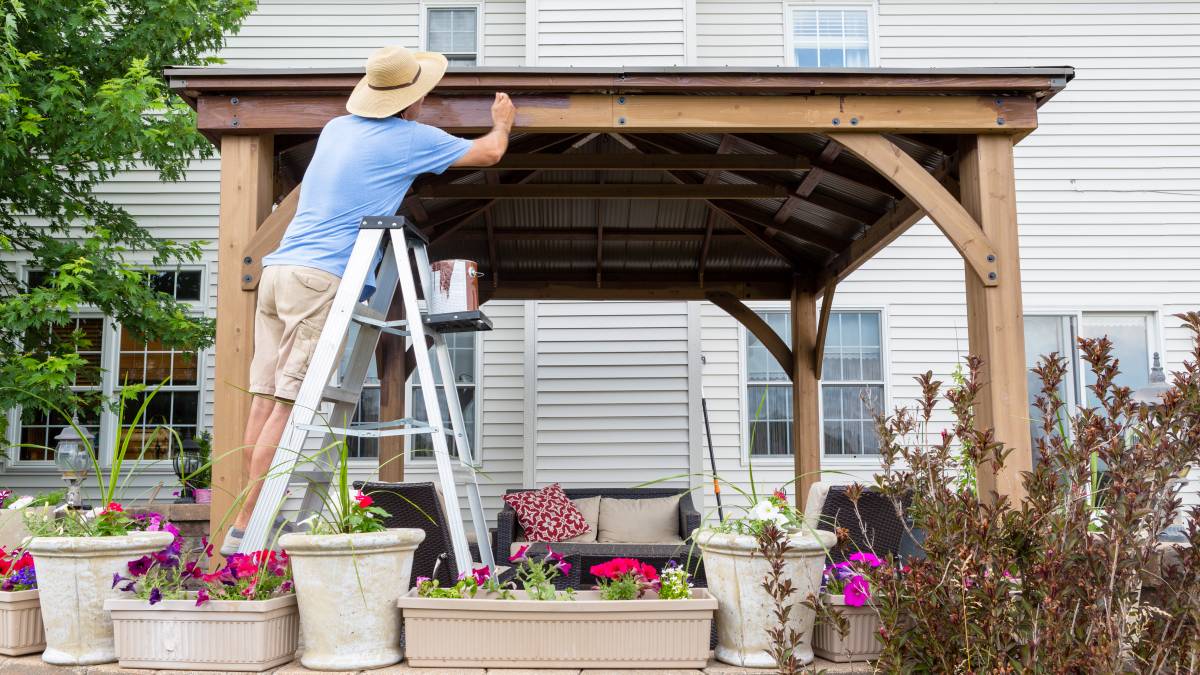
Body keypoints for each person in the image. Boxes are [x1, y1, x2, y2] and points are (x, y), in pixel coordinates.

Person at [222, 45, 516, 555]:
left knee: (264, 399)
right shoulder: (409, 137)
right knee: (289, 407)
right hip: (321, 277)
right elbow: (489, 154)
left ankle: (241, 513)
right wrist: (503, 122)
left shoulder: (336, 129)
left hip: (279, 271)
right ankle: (251, 520)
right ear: (413, 99)